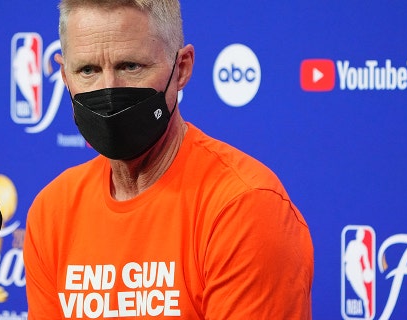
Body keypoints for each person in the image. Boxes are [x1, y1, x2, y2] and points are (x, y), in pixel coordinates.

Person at [23, 0, 314, 318]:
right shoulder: (53, 211)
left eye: (130, 66)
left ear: (183, 68)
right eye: (88, 70)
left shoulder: (244, 205)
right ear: (65, 77)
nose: (109, 89)